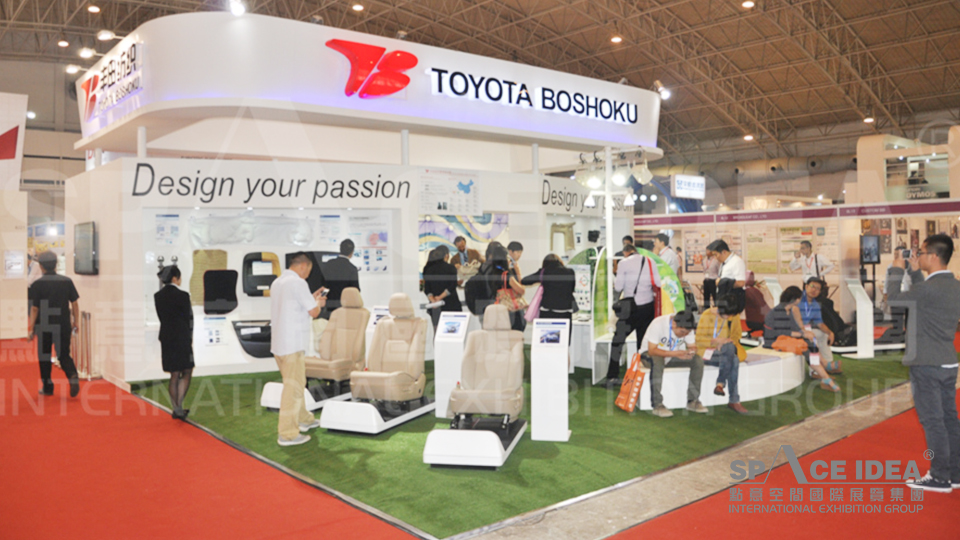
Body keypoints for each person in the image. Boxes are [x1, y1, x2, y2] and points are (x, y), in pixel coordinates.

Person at [889, 234, 960, 493]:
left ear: (933, 256)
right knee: (949, 418)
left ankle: (939, 477)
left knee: (933, 421)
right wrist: (916, 272)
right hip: (947, 361)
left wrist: (897, 268)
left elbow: (894, 299)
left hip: (926, 363)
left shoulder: (928, 289)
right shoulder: (954, 286)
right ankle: (955, 473)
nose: (917, 256)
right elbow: (925, 297)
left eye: (921, 252)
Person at [270, 252, 326, 446]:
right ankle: (287, 434)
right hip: (292, 345)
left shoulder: (278, 283)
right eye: (308, 271)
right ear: (303, 266)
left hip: (279, 344)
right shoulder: (298, 283)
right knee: (293, 389)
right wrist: (318, 303)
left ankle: (304, 419)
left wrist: (311, 298)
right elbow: (314, 312)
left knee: (296, 384)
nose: (307, 275)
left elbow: (295, 306)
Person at [605, 243, 661, 388]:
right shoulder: (650, 261)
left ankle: (612, 376)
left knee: (618, 341)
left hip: (629, 308)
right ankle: (642, 375)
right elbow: (658, 283)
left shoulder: (623, 263)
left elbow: (618, 287)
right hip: (647, 307)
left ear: (625, 253)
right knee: (643, 342)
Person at [763, 286, 838, 392]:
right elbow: (780, 332)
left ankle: (824, 369)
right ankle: (825, 375)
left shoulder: (789, 310)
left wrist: (805, 333)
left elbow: (794, 328)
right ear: (795, 299)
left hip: (783, 338)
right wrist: (801, 334)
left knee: (810, 342)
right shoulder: (778, 311)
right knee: (804, 347)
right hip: (773, 341)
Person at [27, 251, 80, 398]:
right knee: (63, 354)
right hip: (63, 324)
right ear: (56, 264)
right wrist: (75, 321)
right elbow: (75, 303)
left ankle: (48, 387)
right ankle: (72, 375)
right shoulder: (67, 281)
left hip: (44, 325)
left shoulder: (37, 285)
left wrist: (31, 328)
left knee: (44, 356)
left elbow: (35, 308)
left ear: (41, 266)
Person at [640, 310, 707, 418]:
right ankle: (657, 404)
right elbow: (652, 351)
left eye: (686, 333)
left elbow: (692, 346)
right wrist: (675, 353)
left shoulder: (686, 326)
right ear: (674, 324)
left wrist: (691, 352)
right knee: (658, 360)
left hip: (672, 356)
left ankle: (692, 401)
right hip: (648, 355)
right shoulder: (658, 324)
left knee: (697, 360)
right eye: (682, 332)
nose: (684, 335)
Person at [695, 294, 749, 414]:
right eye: (727, 314)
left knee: (730, 350)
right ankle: (733, 399)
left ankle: (721, 384)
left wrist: (726, 342)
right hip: (706, 352)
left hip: (725, 352)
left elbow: (736, 336)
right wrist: (716, 342)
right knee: (734, 360)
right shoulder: (707, 315)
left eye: (731, 315)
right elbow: (698, 340)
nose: (729, 317)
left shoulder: (732, 317)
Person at [154, 266, 194, 420]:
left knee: (174, 373)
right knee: (187, 370)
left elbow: (162, 317)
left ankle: (177, 408)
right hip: (182, 337)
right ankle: (178, 408)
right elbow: (189, 319)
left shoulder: (158, 296)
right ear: (175, 278)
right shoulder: (183, 296)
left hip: (167, 337)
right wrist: (190, 337)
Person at [521, 254, 576, 338]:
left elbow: (524, 281)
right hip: (565, 311)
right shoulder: (570, 272)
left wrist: (542, 279)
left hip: (548, 311)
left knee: (547, 338)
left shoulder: (544, 272)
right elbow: (571, 289)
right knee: (564, 339)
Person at [797, 278, 841, 375]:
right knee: (812, 337)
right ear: (806, 286)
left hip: (806, 329)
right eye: (812, 286)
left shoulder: (815, 304)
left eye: (817, 288)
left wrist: (830, 332)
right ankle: (814, 371)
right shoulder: (797, 300)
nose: (814, 290)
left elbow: (819, 323)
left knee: (823, 334)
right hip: (793, 330)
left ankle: (828, 364)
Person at [422, 245, 462, 332]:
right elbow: (452, 286)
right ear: (445, 256)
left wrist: (433, 300)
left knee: (438, 333)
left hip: (436, 307)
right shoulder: (451, 268)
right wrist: (440, 297)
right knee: (453, 333)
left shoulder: (428, 270)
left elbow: (427, 289)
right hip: (451, 305)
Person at [318, 239, 360, 320]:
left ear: (340, 249)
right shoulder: (352, 269)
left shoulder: (329, 264)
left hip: (328, 305)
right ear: (352, 252)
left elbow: (323, 285)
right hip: (344, 306)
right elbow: (355, 290)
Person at [485, 243, 525, 327]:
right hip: (511, 310)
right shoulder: (506, 275)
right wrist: (518, 272)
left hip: (497, 309)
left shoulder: (491, 273)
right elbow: (521, 290)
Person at [707, 239, 746, 313]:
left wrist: (721, 282)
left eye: (716, 255)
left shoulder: (737, 262)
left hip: (731, 303)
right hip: (724, 300)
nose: (715, 258)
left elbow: (741, 283)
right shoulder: (724, 263)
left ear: (724, 252)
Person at [507, 241, 526, 331]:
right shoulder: (508, 265)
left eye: (520, 253)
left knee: (520, 323)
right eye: (517, 252)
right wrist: (517, 271)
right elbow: (519, 284)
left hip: (514, 298)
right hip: (509, 299)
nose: (519, 255)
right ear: (510, 251)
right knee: (516, 324)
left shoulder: (514, 264)